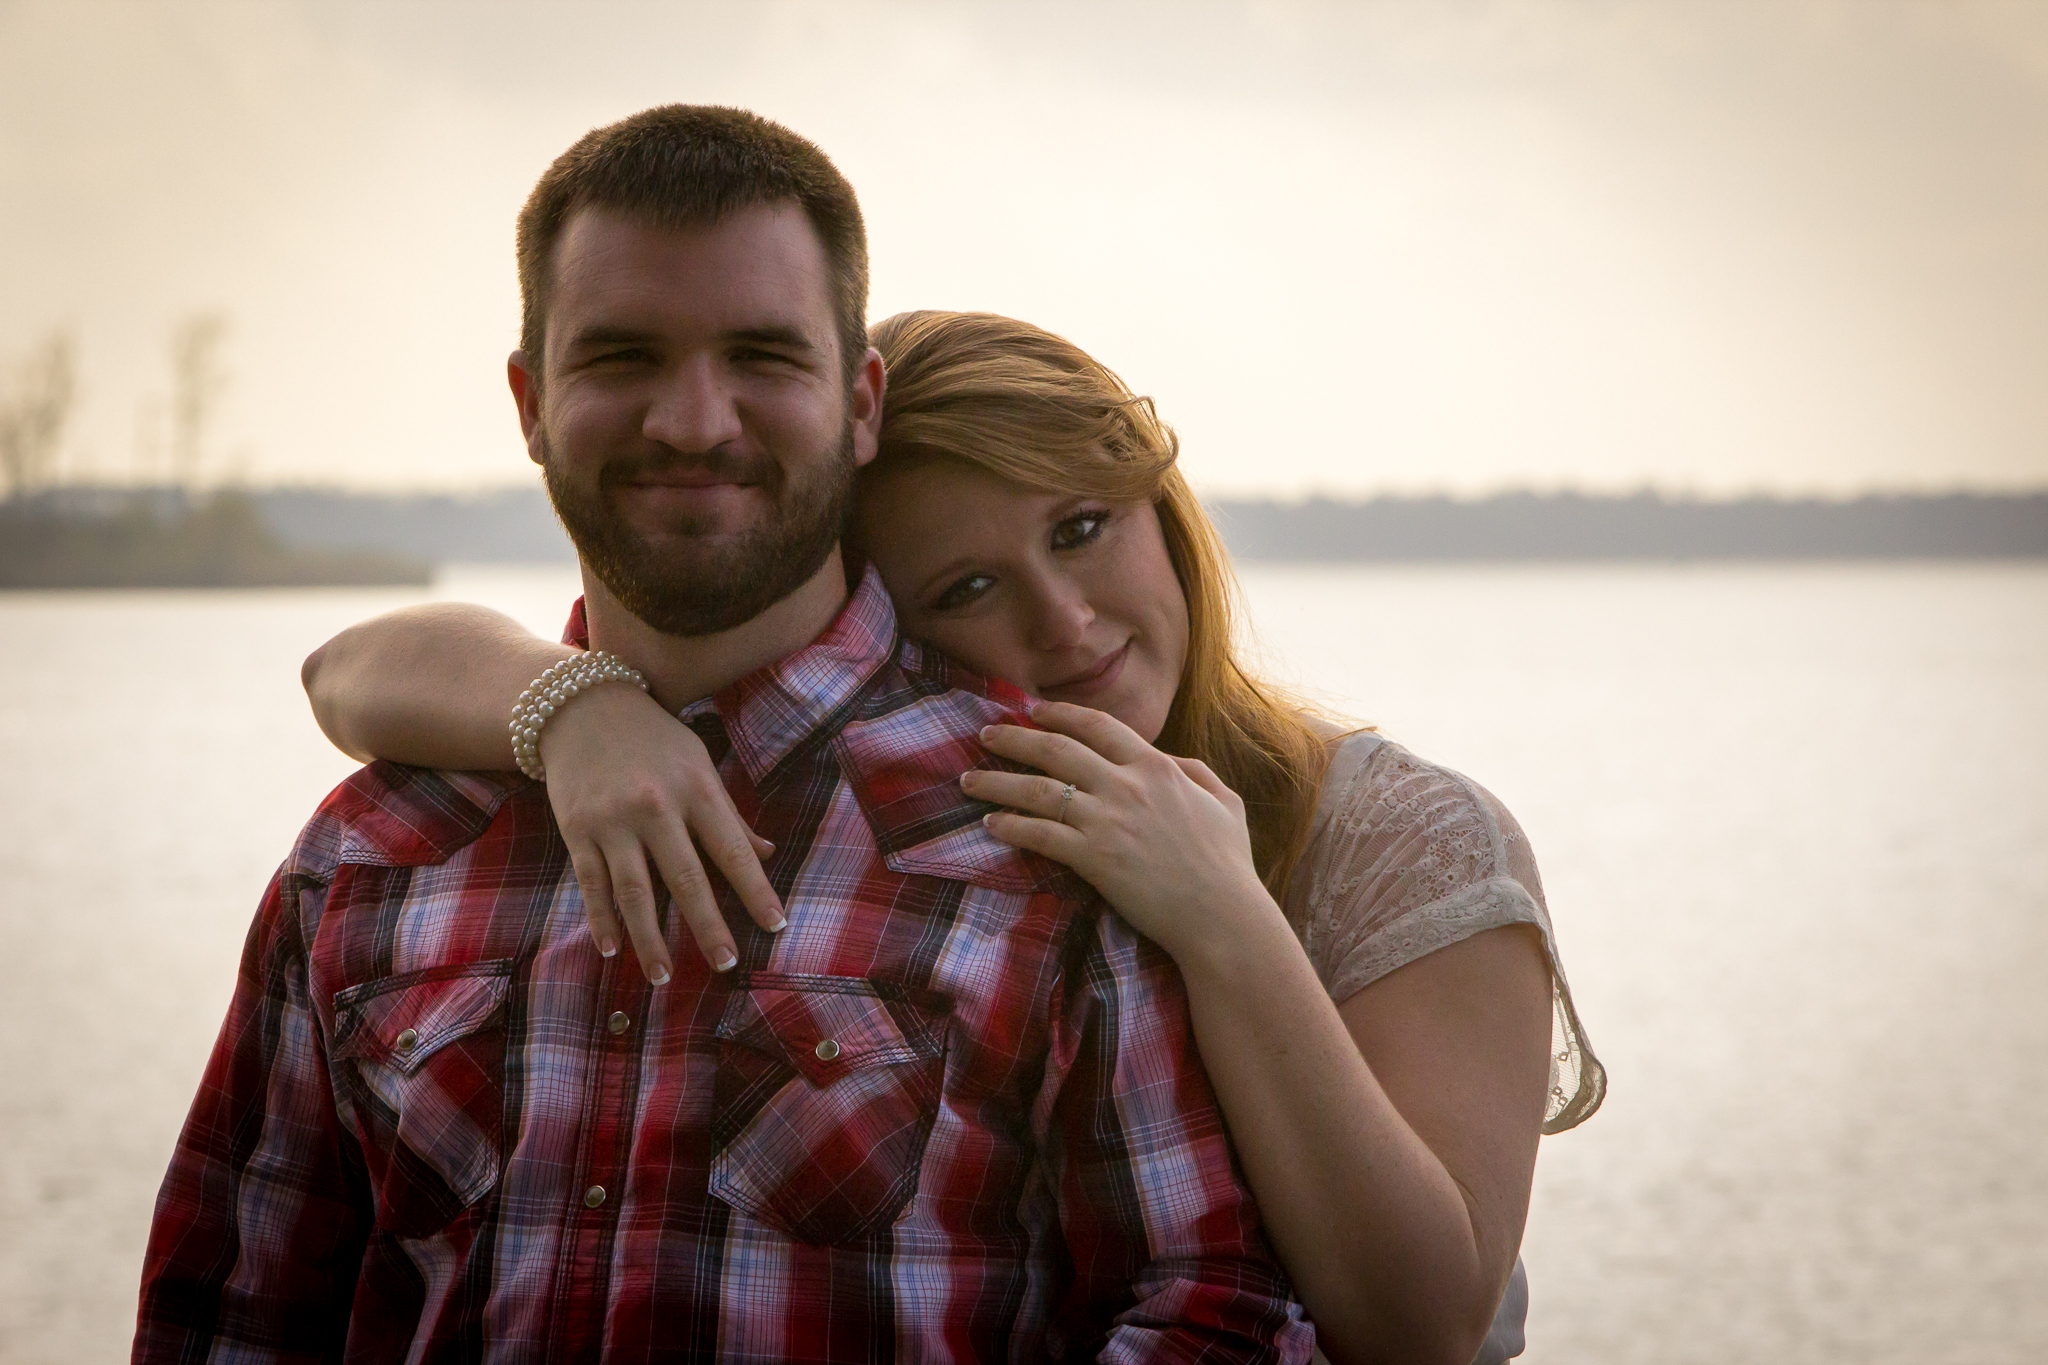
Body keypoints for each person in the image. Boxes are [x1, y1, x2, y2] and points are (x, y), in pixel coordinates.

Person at [134, 106, 1317, 1364]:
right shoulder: (376, 849)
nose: (693, 421)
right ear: (531, 405)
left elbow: (1218, 1311)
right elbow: (231, 1314)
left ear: (859, 404)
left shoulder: (1046, 829)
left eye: (761, 355)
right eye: (622, 359)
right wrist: (574, 709)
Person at [301, 298, 1606, 1364]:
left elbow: (1425, 1323)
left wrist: (1221, 916)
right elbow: (349, 668)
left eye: (1083, 529)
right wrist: (576, 705)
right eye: (968, 587)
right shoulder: (940, 850)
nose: (1066, 620)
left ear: (1165, 507)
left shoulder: (1395, 833)